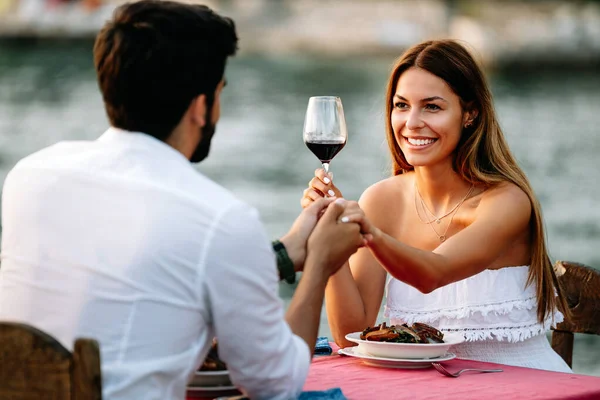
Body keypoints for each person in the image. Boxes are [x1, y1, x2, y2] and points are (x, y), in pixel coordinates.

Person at [0, 1, 368, 399]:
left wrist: (281, 254)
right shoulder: (218, 217)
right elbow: (275, 384)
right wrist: (318, 265)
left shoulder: (31, 174)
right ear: (200, 105)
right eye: (219, 93)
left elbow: (153, 275)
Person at [301, 39, 572, 373]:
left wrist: (364, 231)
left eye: (432, 107)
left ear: (470, 113)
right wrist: (331, 239)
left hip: (526, 383)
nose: (412, 122)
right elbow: (348, 336)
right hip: (422, 388)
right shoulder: (381, 200)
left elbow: (433, 273)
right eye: (401, 105)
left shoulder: (508, 201)